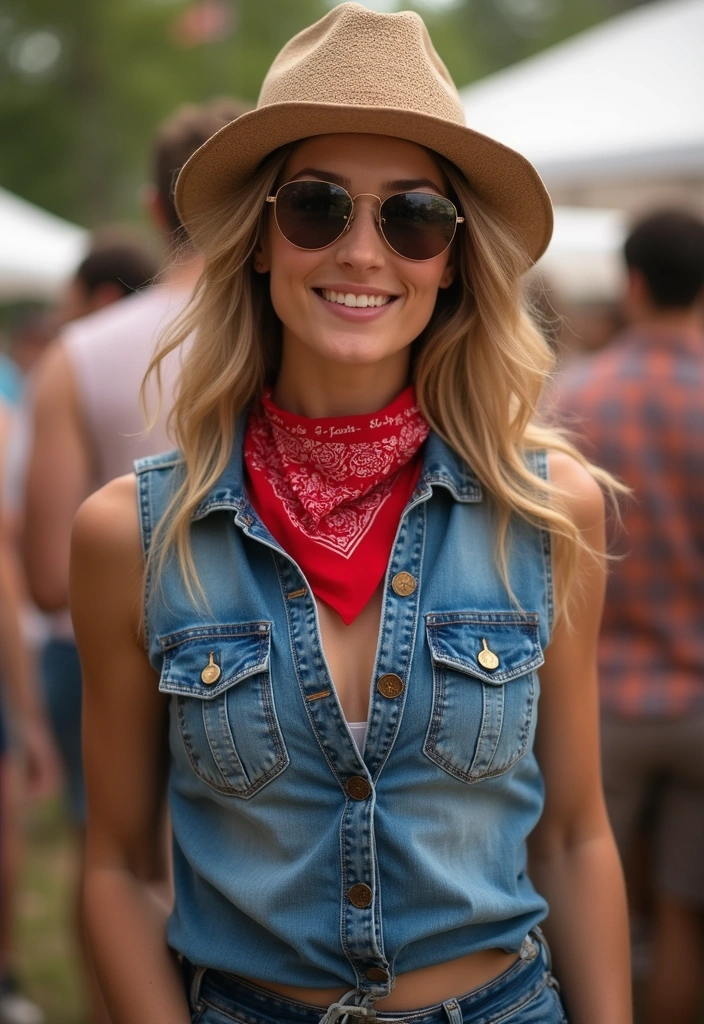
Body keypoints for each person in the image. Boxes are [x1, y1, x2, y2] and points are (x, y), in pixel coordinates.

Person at [70, 6, 632, 1024]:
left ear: (451, 258)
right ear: (258, 240)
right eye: (316, 207)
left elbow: (573, 835)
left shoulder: (549, 509)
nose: (363, 252)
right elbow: (116, 864)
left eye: (412, 216)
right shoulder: (133, 535)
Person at [22, 99, 248, 1024]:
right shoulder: (295, 333)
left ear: (157, 210)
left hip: (97, 651)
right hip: (267, 655)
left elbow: (48, 576)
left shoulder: (79, 354)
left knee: (110, 862)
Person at [556, 209, 704, 1024]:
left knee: (579, 890)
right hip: (701, 699)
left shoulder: (575, 398)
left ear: (633, 283)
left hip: (597, 699)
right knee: (684, 918)